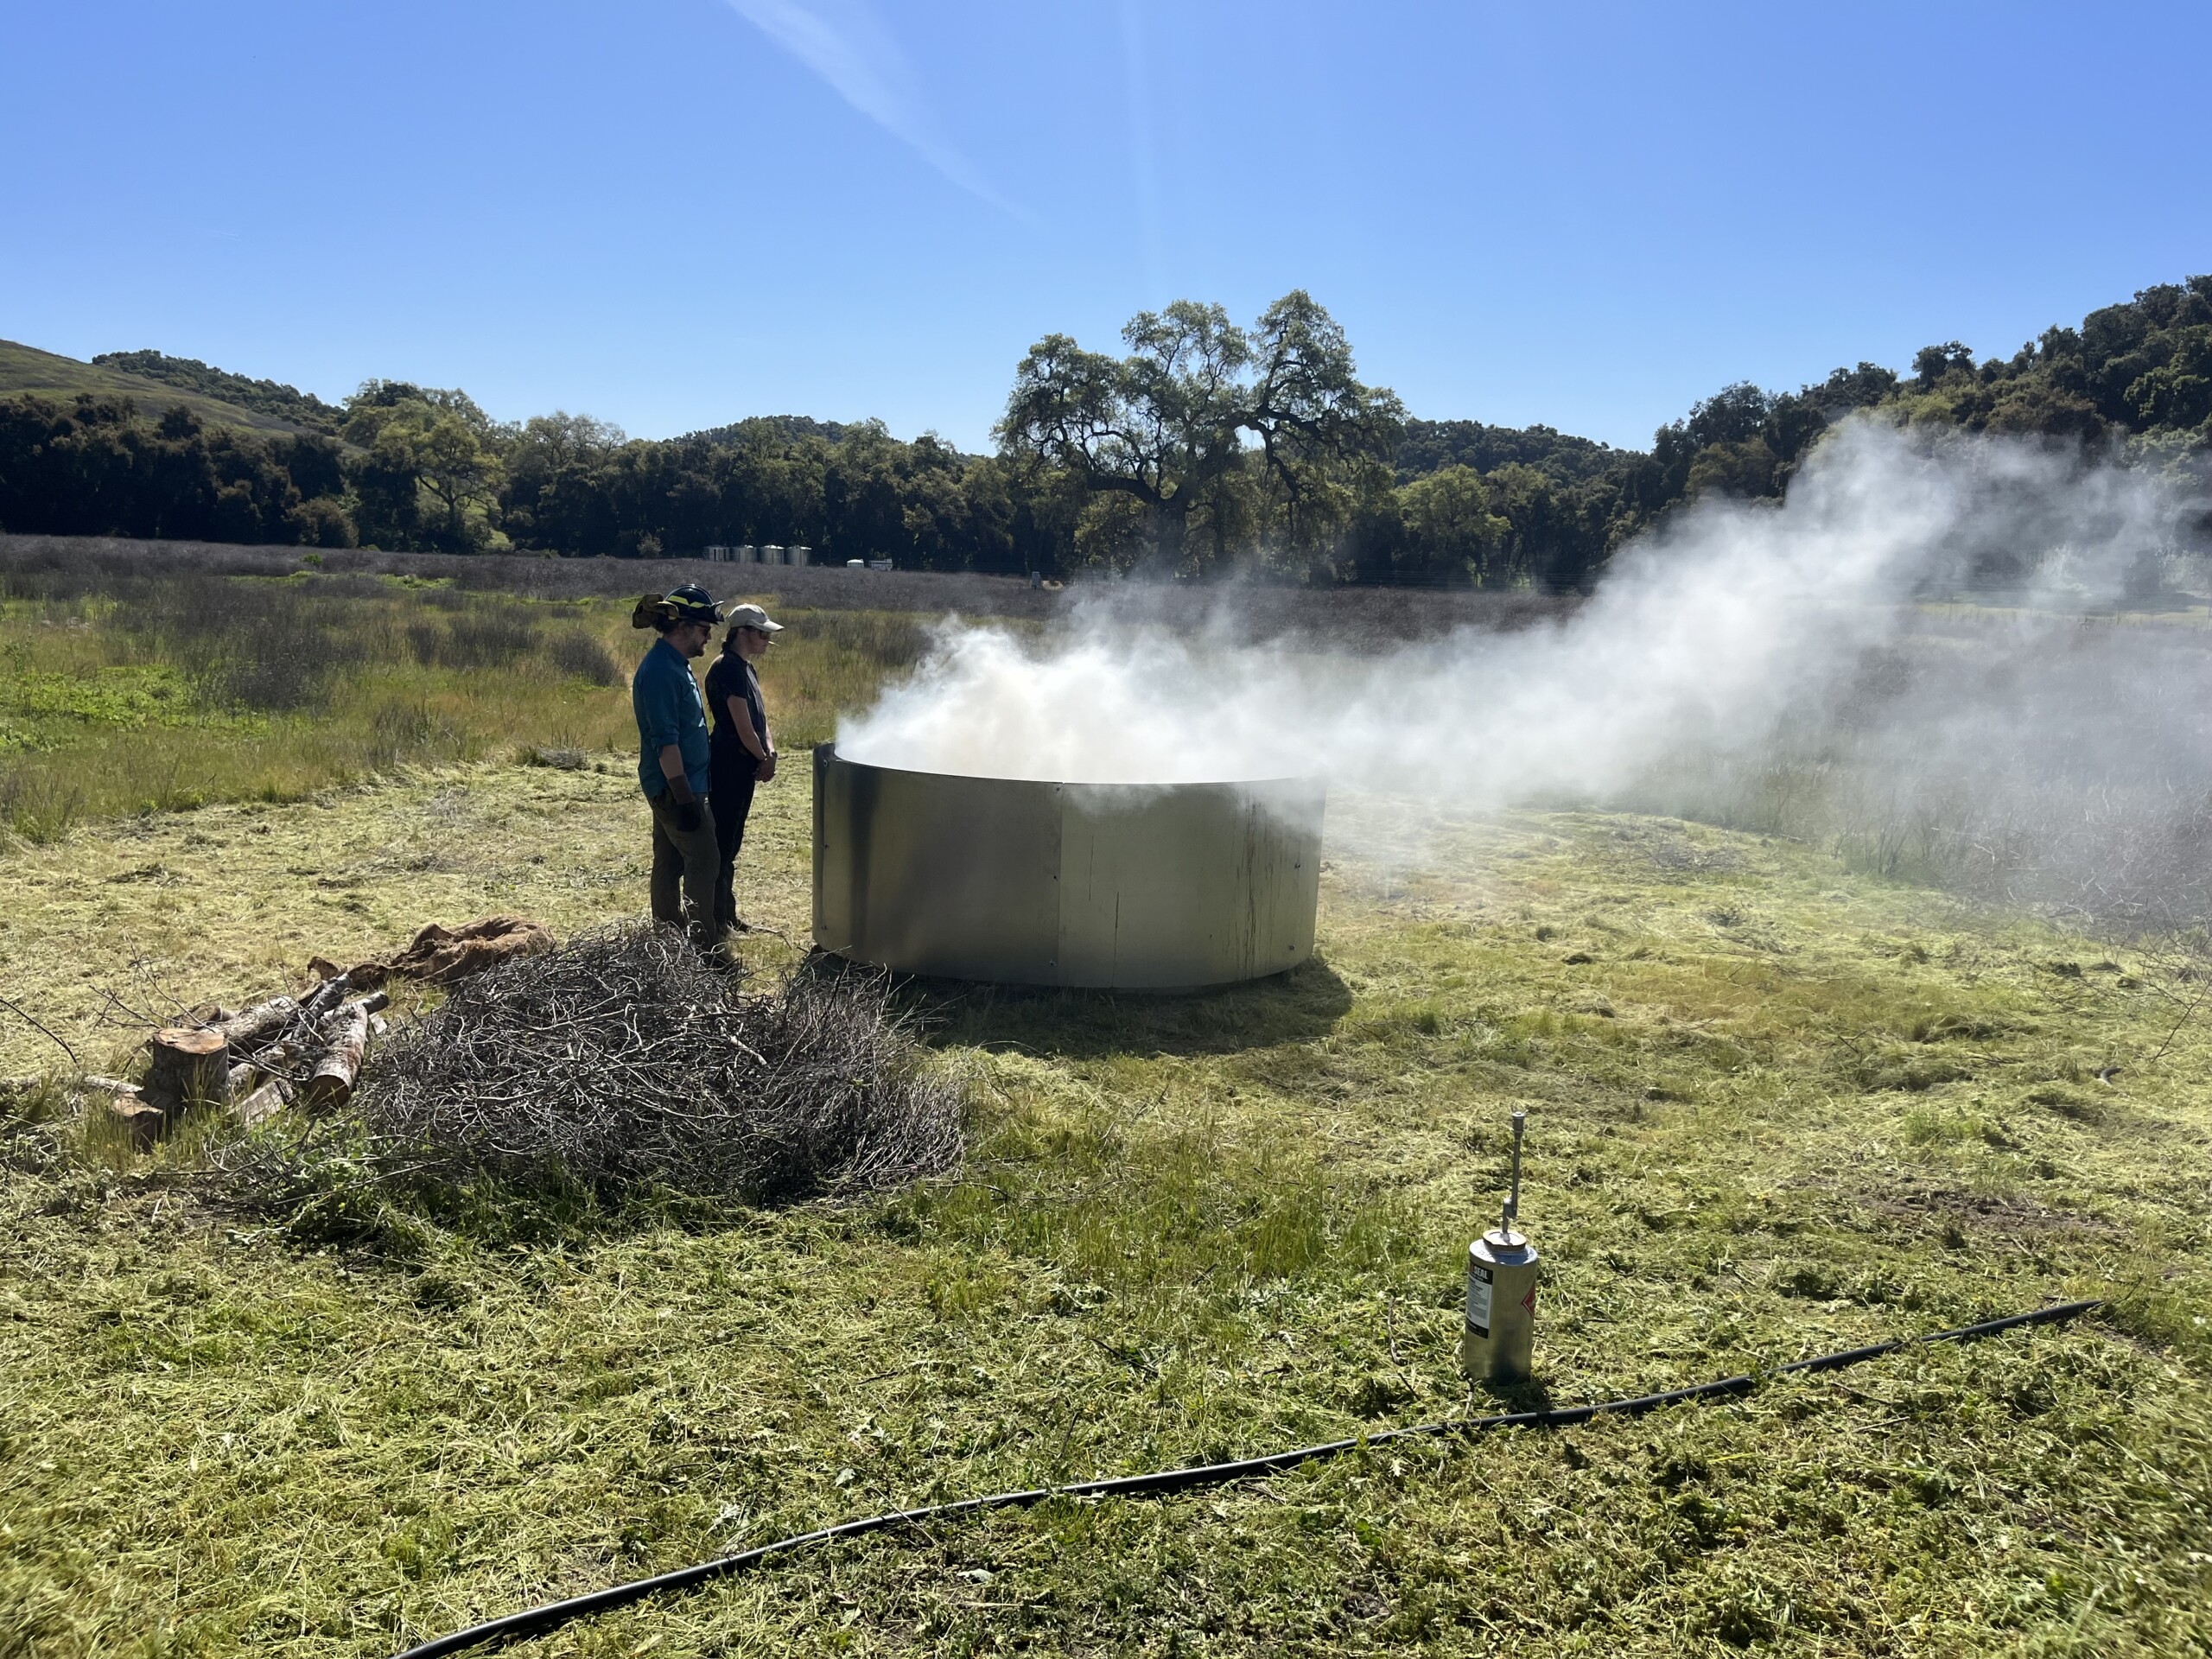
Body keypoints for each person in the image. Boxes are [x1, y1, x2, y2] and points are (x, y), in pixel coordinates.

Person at [629, 585, 721, 948]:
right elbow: (666, 743)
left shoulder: (674, 665)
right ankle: (703, 948)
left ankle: (667, 943)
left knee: (669, 862)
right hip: (676, 788)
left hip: (678, 784)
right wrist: (685, 801)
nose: (709, 636)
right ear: (680, 627)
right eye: (703, 629)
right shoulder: (661, 672)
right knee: (705, 860)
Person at [705, 601, 783, 935]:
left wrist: (771, 751)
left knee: (732, 841)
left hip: (744, 764)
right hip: (729, 765)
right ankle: (718, 921)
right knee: (723, 843)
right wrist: (762, 757)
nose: (767, 640)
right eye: (762, 634)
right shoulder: (728, 668)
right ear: (744, 632)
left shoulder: (746, 668)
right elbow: (741, 724)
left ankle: (727, 915)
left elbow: (759, 718)